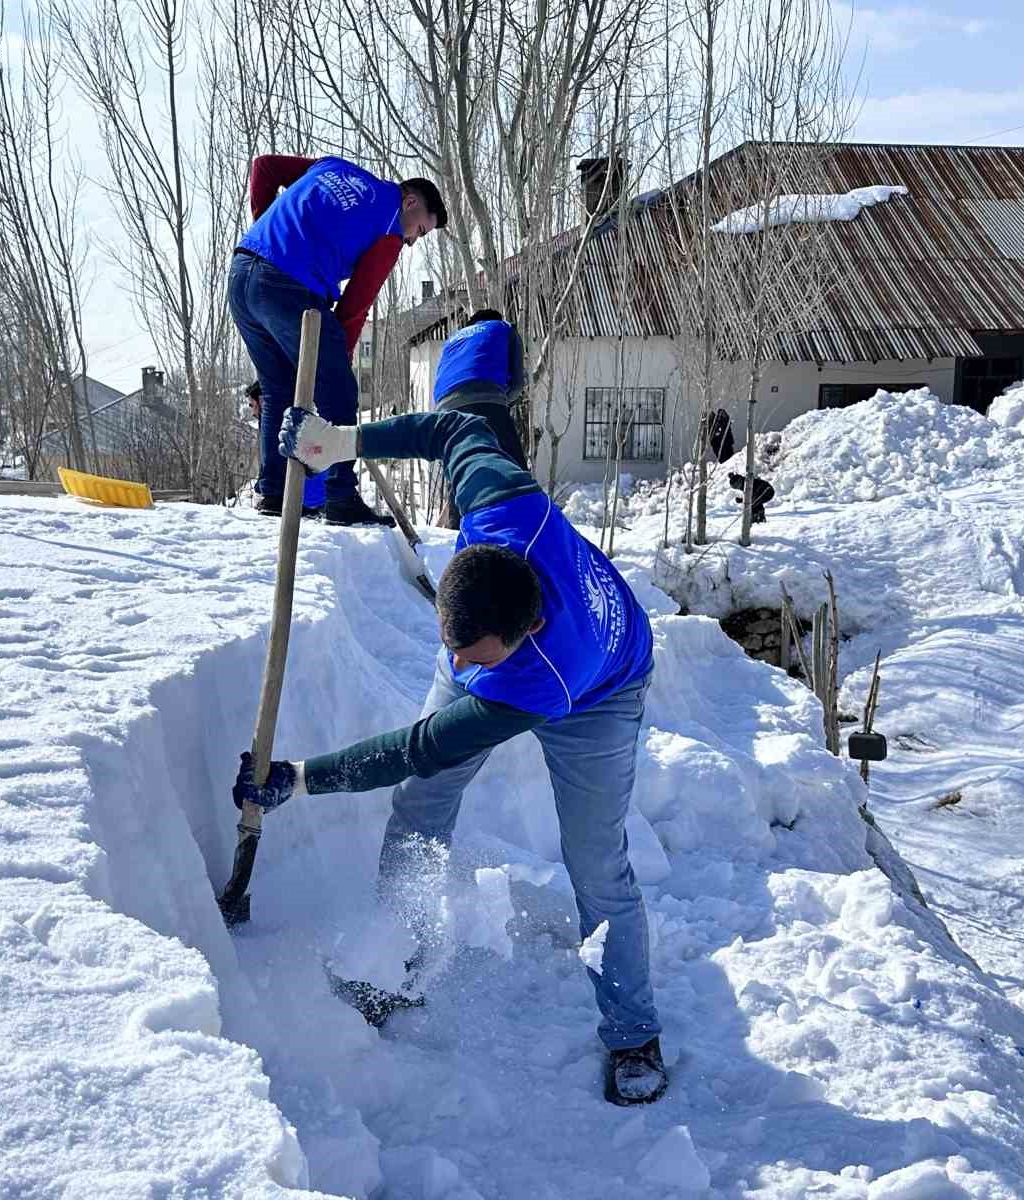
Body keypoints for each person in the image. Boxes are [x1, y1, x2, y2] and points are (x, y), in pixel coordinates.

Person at [233, 404, 667, 1107]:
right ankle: (395, 969)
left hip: (602, 690)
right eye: (451, 649)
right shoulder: (503, 504)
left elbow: (417, 747)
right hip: (520, 639)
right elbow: (455, 429)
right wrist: (340, 443)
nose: (459, 667)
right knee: (422, 805)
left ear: (525, 631)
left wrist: (302, 779)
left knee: (596, 863)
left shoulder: (537, 678)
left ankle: (633, 1032)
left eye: (473, 658)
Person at [230, 154, 446, 525]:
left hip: (243, 272)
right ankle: (341, 496)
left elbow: (264, 167)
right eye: (420, 231)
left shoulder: (334, 168)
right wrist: (335, 370)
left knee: (277, 388)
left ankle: (274, 493)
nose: (411, 241)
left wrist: (268, 231)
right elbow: (353, 309)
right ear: (409, 201)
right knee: (341, 393)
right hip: (289, 287)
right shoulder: (390, 229)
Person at [431, 308, 528, 528]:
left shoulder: (452, 340)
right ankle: (526, 523)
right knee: (512, 461)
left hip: (445, 406)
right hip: (486, 397)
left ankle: (456, 529)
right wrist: (503, 402)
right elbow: (517, 384)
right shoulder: (504, 328)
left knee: (458, 468)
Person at [245, 380, 324, 516]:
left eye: (252, 405)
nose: (252, 412)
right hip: (318, 496)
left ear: (263, 401)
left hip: (305, 497)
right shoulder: (294, 421)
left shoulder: (274, 427)